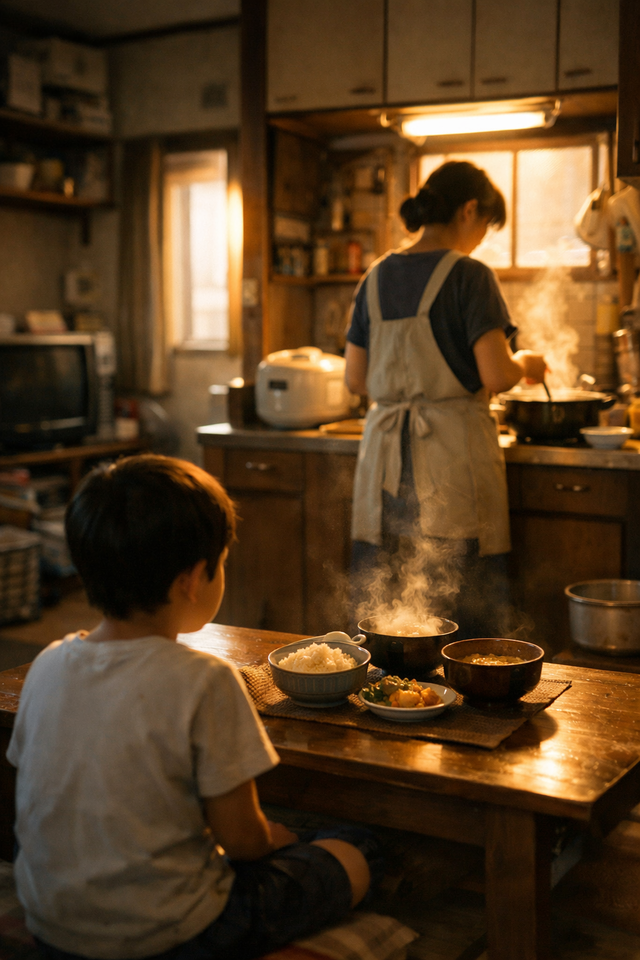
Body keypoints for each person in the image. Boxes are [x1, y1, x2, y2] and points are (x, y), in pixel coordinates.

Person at [7, 454, 376, 960]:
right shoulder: (205, 680)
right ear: (193, 579)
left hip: (52, 927)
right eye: (221, 563)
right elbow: (244, 841)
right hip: (171, 936)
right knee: (352, 849)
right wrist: (279, 838)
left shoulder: (47, 665)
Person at [345, 160, 547, 639]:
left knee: (388, 599)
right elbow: (496, 372)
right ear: (469, 210)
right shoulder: (471, 276)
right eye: (483, 227)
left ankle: (388, 700)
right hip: (449, 464)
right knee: (460, 607)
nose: (480, 240)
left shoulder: (373, 277)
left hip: (385, 470)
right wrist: (530, 364)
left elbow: (356, 379)